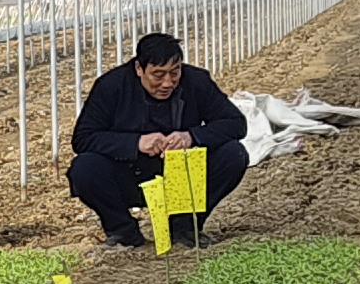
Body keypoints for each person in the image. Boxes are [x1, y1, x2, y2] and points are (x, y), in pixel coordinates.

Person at [68, 31, 249, 249]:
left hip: (182, 175)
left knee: (233, 154)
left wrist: (191, 136)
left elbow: (236, 123)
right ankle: (123, 231)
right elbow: (83, 138)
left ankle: (185, 226)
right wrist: (136, 143)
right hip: (130, 174)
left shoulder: (196, 82)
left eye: (175, 73)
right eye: (158, 75)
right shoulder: (111, 86)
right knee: (85, 168)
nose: (167, 83)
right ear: (139, 69)